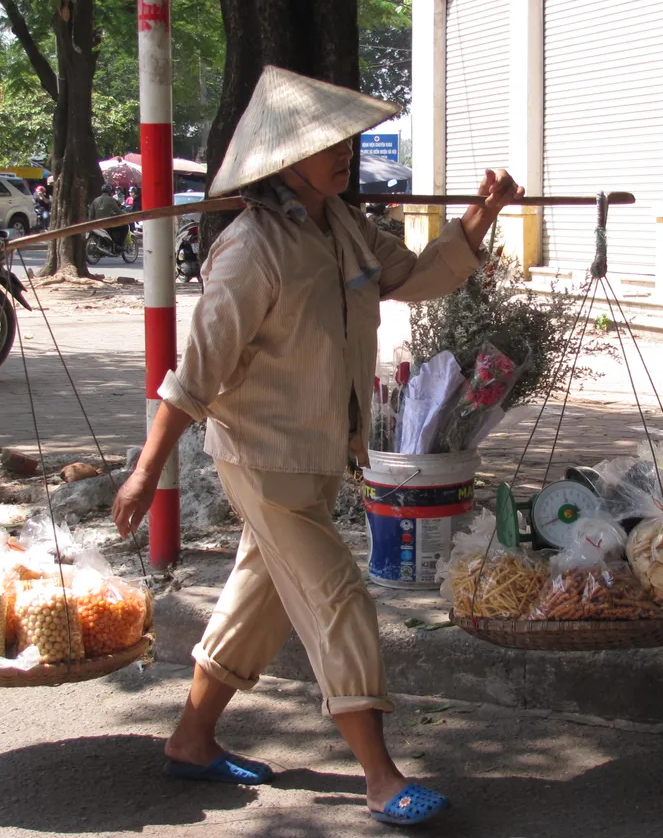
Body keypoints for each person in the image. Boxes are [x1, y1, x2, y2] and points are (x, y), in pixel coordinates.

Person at [111, 66, 523, 827]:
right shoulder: (250, 250)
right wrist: (144, 476)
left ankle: (192, 740)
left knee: (257, 599)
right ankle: (378, 775)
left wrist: (478, 218)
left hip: (319, 457)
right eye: (329, 143)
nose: (346, 155)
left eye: (350, 142)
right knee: (338, 597)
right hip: (261, 462)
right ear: (283, 157)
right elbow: (191, 379)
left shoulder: (340, 226)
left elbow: (413, 275)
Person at [88, 183, 126, 253]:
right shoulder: (111, 200)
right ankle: (119, 246)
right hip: (107, 224)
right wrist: (124, 215)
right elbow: (118, 211)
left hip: (96, 224)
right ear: (110, 191)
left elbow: (91, 214)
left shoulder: (95, 200)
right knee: (125, 227)